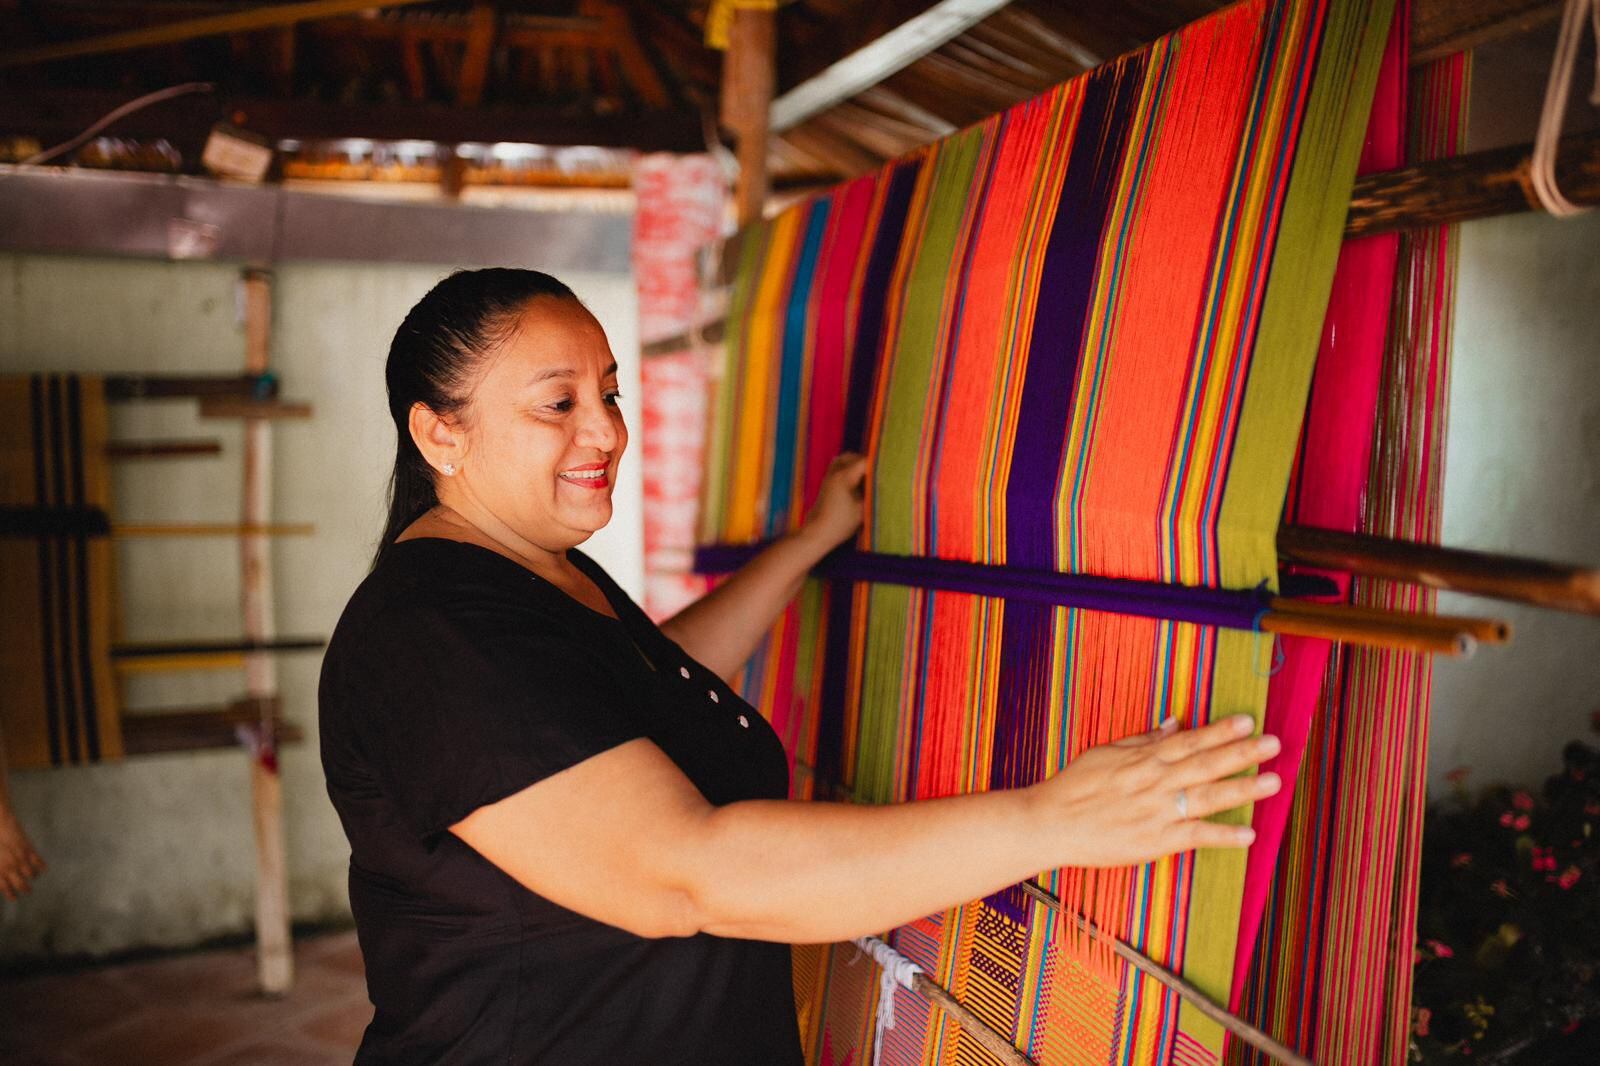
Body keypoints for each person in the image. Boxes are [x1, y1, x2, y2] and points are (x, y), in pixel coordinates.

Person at [318, 268, 1283, 1065]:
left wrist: (808, 542)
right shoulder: (434, 632)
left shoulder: (534, 577)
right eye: (558, 404)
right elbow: (682, 874)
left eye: (609, 392)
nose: (607, 431)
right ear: (439, 433)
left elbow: (645, 695)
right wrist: (1051, 819)